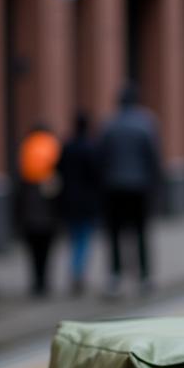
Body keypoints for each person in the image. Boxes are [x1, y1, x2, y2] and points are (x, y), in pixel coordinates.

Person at [97, 81, 162, 296]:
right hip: (140, 186)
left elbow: (101, 157)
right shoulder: (146, 122)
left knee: (115, 233)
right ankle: (144, 276)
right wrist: (155, 183)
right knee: (141, 231)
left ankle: (115, 276)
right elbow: (153, 156)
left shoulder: (109, 124)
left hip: (113, 186)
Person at [13, 123, 62, 297]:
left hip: (29, 208)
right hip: (48, 211)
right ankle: (44, 282)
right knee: (46, 249)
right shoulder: (52, 145)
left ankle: (36, 282)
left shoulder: (27, 146)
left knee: (33, 250)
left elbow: (18, 179)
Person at [58, 109, 101, 295]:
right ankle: (78, 273)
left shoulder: (67, 147)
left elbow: (58, 171)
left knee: (74, 238)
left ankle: (75, 271)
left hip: (69, 201)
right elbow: (97, 176)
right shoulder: (90, 148)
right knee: (83, 239)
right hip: (86, 203)